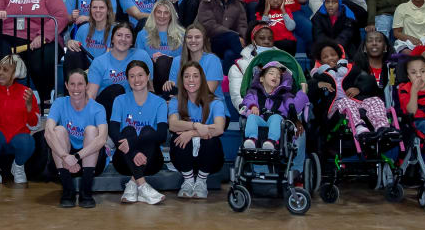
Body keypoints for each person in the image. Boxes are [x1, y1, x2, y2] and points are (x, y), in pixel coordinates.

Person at [109, 61, 170, 204]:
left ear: (148, 76)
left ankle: (132, 184)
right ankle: (142, 186)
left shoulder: (159, 103)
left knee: (148, 131)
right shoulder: (119, 100)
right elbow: (113, 131)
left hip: (152, 162)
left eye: (140, 75)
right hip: (123, 161)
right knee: (128, 130)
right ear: (127, 79)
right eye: (132, 76)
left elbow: (161, 135)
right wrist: (134, 151)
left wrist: (132, 142)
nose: (137, 80)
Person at [45, 70, 106, 208]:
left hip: (90, 160)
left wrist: (77, 157)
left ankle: (86, 192)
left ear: (86, 86)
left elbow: (102, 138)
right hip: (65, 160)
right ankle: (68, 192)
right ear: (66, 85)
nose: (76, 88)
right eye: (72, 84)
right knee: (58, 131)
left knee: (92, 130)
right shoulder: (60, 103)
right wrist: (65, 156)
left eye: (80, 84)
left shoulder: (98, 108)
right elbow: (48, 133)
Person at [168, 61, 229, 199]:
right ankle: (188, 181)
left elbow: (219, 128)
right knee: (179, 137)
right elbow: (173, 125)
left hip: (209, 161)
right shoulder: (175, 101)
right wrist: (196, 126)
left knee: (210, 140)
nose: (191, 80)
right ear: (181, 79)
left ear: (202, 79)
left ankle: (201, 181)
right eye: (187, 76)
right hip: (184, 159)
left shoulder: (215, 102)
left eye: (195, 76)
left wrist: (191, 133)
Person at [0, 56, 40, 185]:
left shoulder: (27, 93)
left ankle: (18, 167)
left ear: (16, 72)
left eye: (5, 70)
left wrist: (29, 108)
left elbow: (34, 126)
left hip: (18, 142)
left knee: (28, 141)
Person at [240, 60, 308, 153]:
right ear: (261, 78)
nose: (275, 76)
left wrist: (303, 92)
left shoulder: (284, 95)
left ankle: (272, 141)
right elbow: (248, 99)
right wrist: (253, 106)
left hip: (278, 123)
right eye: (271, 73)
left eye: (279, 76)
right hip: (261, 119)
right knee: (252, 117)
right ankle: (252, 139)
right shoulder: (254, 92)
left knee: (276, 117)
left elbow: (294, 107)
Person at [195, 0, 249, 67]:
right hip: (213, 41)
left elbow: (242, 24)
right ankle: (248, 63)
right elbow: (209, 25)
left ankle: (227, 80)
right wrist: (235, 35)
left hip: (233, 43)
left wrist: (242, 36)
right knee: (233, 38)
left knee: (230, 55)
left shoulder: (236, 0)